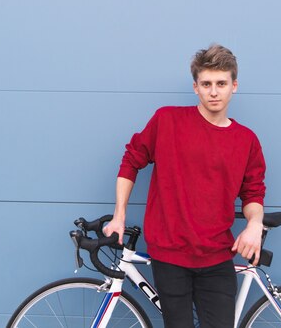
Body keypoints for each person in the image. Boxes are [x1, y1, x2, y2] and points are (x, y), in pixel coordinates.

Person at [104, 44, 266, 328]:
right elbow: (131, 162)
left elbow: (253, 193)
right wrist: (119, 215)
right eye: (206, 84)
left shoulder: (246, 140)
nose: (213, 91)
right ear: (195, 87)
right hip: (170, 255)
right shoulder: (167, 120)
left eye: (221, 83)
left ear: (234, 86)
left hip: (217, 256)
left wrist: (254, 224)